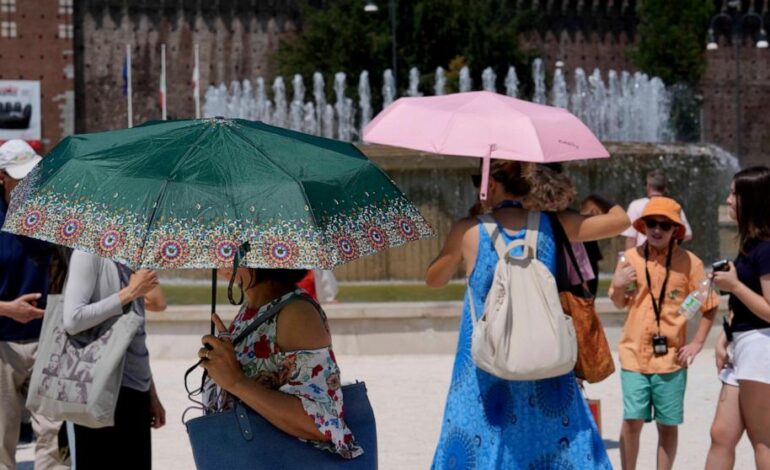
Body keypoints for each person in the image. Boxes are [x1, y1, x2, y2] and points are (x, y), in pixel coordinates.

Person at [426, 159, 628, 469]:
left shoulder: (468, 231)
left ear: (490, 185)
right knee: (555, 446)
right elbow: (621, 221)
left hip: (484, 366)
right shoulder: (555, 223)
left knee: (481, 443)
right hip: (544, 363)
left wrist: (466, 229)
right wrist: (600, 199)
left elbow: (434, 279)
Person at [197, 267, 362, 459]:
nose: (220, 255)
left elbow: (322, 422)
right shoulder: (253, 309)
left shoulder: (297, 314)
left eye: (231, 246)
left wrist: (236, 381)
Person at [610, 197, 719, 470]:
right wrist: (619, 285)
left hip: (671, 359)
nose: (657, 230)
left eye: (664, 225)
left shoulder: (690, 263)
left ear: (675, 231)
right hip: (634, 354)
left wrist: (696, 343)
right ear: (642, 227)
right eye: (651, 224)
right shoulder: (630, 259)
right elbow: (618, 301)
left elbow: (708, 305)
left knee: (667, 425)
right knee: (632, 420)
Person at [62, 251, 167, 470]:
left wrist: (151, 392)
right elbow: (72, 319)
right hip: (98, 387)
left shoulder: (132, 258)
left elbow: (136, 333)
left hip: (134, 390)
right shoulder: (87, 254)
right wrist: (130, 292)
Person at [0, 139, 68, 470]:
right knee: (2, 436)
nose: (26, 184)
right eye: (18, 177)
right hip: (4, 343)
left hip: (47, 337)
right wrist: (7, 308)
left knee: (52, 433)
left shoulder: (47, 216)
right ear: (1, 177)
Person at [705, 166, 770, 470]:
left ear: (752, 199)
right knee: (721, 433)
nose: (728, 200)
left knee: (764, 439)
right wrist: (724, 337)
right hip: (743, 345)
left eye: (734, 194)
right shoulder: (750, 246)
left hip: (761, 347)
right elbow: (741, 306)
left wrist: (735, 285)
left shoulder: (767, 249)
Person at [622, 170, 693, 249]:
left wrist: (630, 258)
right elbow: (687, 234)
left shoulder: (636, 205)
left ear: (648, 186)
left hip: (642, 257)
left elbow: (631, 238)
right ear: (665, 188)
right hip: (667, 257)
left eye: (665, 226)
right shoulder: (673, 206)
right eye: (651, 224)